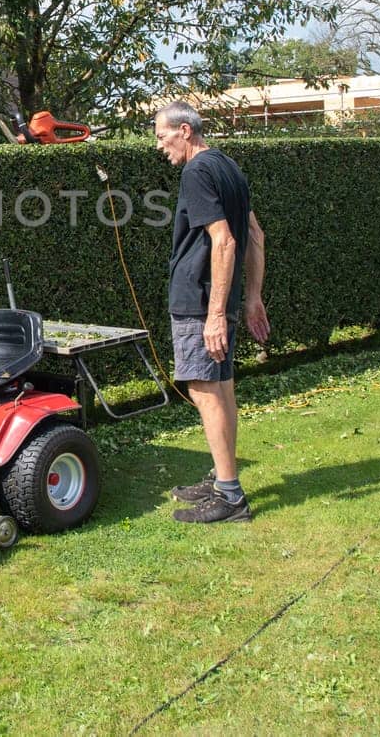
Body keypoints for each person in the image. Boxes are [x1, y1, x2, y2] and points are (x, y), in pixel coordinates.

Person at [154, 101, 269, 523]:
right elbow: (254, 234)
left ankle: (231, 497)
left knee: (203, 389)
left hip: (200, 302)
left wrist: (215, 314)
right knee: (221, 387)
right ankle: (223, 478)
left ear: (185, 130)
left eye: (162, 136)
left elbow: (225, 242)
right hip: (221, 297)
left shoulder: (196, 171)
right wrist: (251, 296)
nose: (159, 145)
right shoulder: (229, 167)